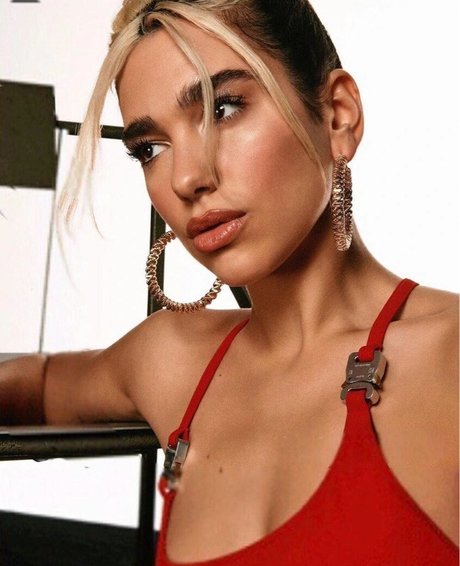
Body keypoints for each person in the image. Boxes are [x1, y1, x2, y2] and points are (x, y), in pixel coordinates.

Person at [1, 1, 458, 564]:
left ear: (338, 116)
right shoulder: (173, 361)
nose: (187, 177)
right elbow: (39, 384)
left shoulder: (449, 360)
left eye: (223, 108)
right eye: (150, 149)